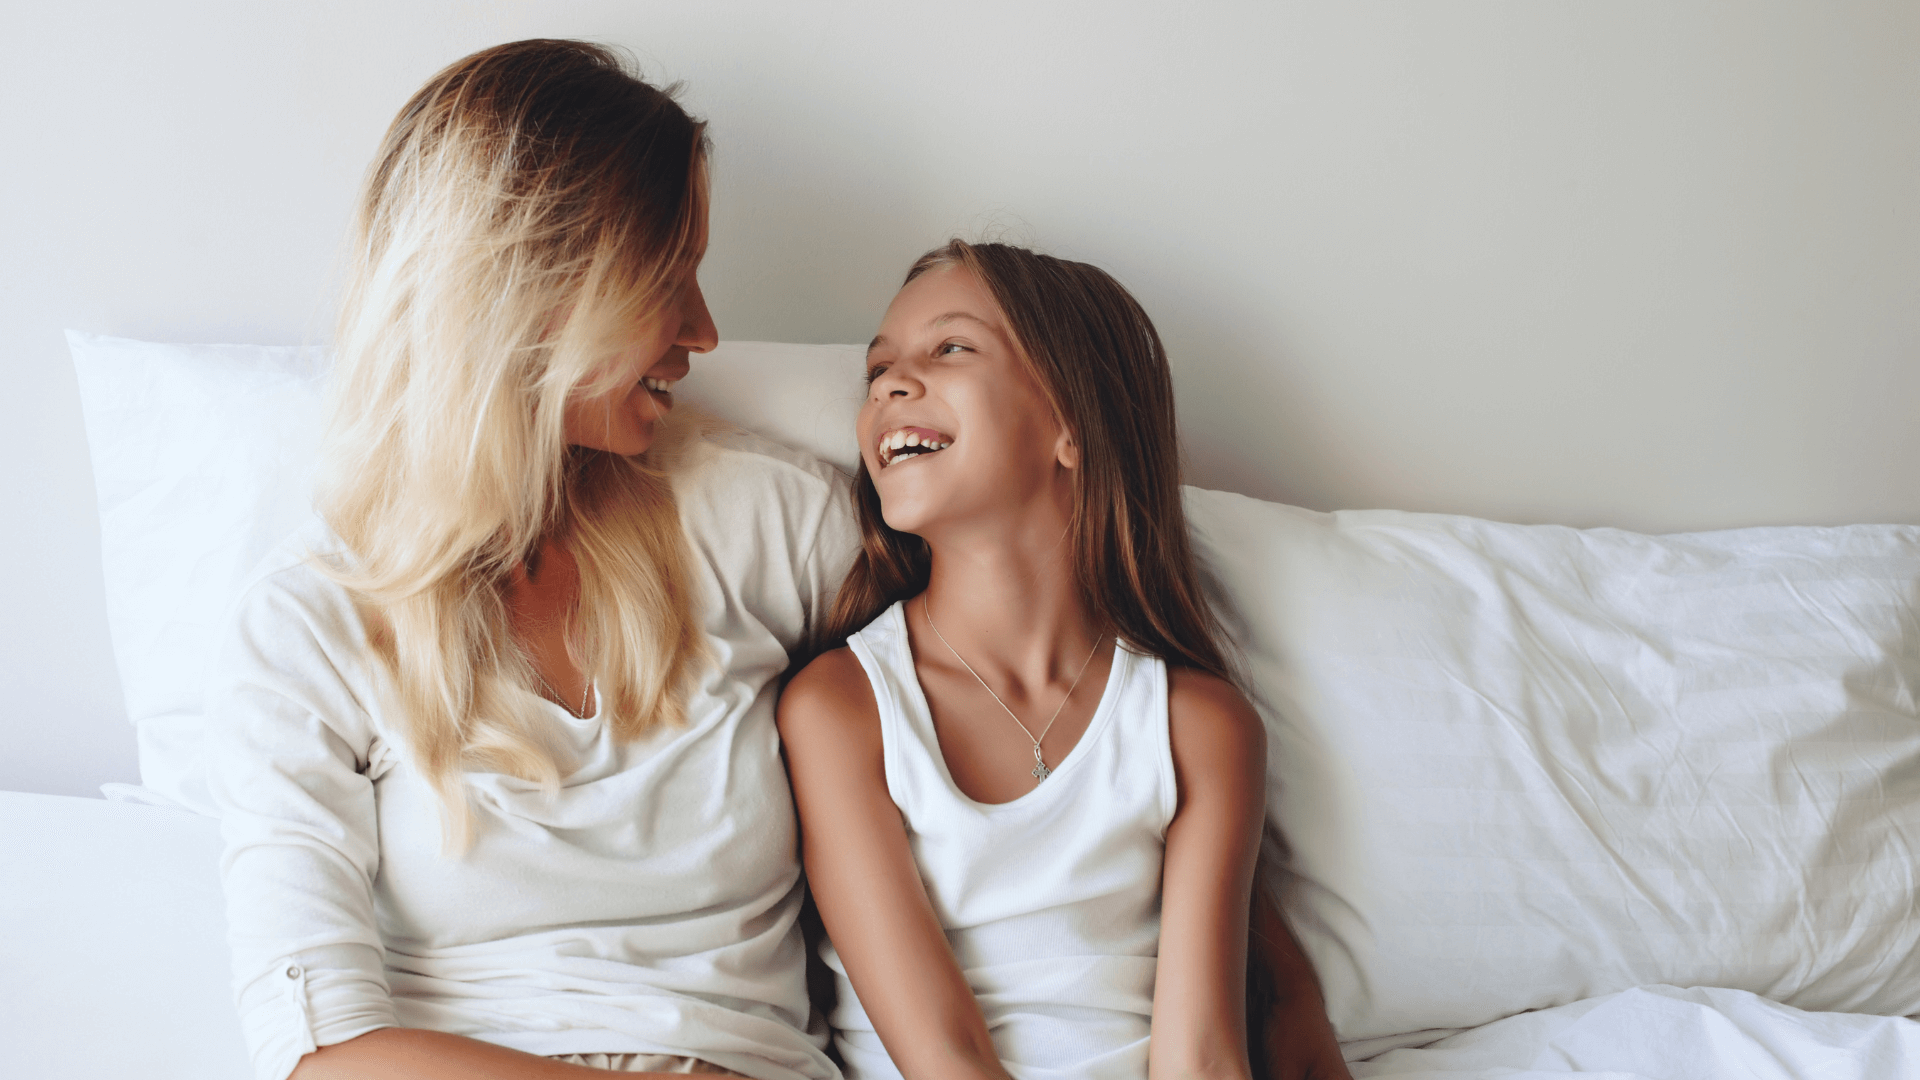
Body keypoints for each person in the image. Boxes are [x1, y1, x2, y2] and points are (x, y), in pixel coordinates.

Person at [207, 40, 854, 1080]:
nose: (705, 329)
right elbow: (320, 1051)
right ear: (532, 293)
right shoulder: (307, 624)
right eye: (666, 277)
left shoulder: (773, 523)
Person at [777, 241, 1352, 1080]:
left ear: (1072, 426)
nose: (890, 386)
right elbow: (945, 1058)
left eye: (950, 349)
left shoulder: (1199, 725)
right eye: (879, 369)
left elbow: (1202, 1056)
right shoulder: (843, 708)